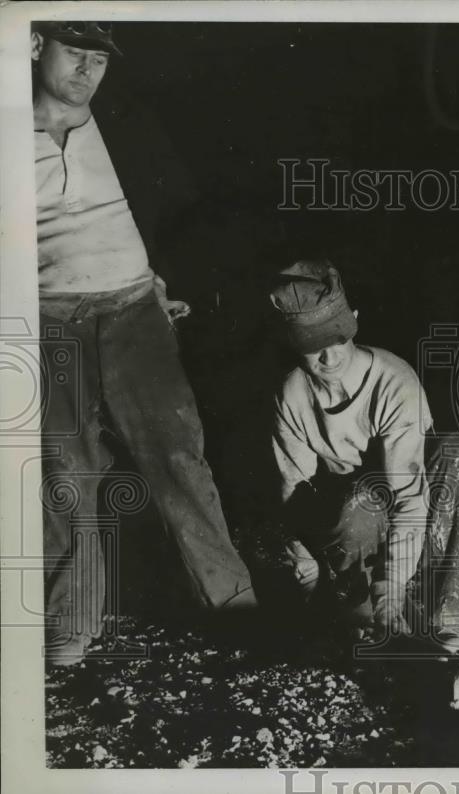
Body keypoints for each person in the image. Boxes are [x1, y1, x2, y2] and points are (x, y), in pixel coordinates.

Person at [32, 21, 257, 666]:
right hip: (48, 319)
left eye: (98, 60)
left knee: (179, 458)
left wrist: (164, 281)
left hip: (133, 310)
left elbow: (180, 212)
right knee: (65, 469)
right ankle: (69, 624)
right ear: (31, 46)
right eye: (74, 53)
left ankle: (233, 606)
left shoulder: (126, 125)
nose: (86, 71)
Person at [269, 260, 459, 655]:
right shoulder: (292, 396)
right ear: (292, 344)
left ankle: (450, 615)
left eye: (336, 338)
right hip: (355, 535)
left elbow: (408, 498)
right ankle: (365, 614)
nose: (329, 357)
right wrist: (310, 577)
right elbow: (294, 497)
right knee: (359, 504)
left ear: (353, 321)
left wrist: (390, 590)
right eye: (312, 346)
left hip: (418, 521)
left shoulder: (393, 382)